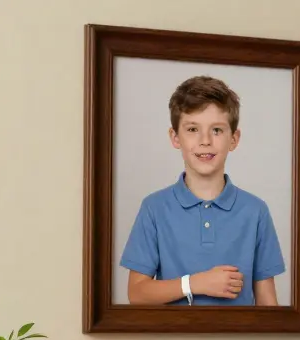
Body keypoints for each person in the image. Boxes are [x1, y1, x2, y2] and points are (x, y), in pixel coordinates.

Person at [120, 75, 286, 306]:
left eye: (217, 130)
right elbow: (137, 295)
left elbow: (268, 304)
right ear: (175, 138)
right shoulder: (154, 208)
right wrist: (195, 283)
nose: (205, 140)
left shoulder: (255, 211)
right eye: (192, 129)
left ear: (234, 139)